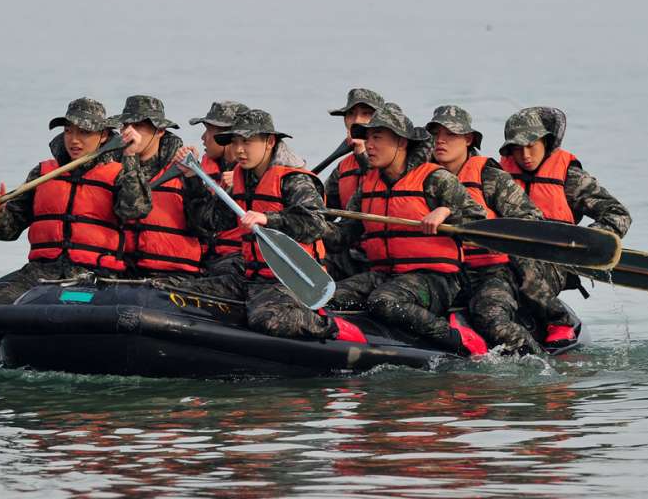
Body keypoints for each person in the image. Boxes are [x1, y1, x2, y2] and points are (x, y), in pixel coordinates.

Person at [323, 103, 489, 352]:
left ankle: (457, 340)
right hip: (384, 274)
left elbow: (479, 221)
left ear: (401, 143)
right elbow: (342, 236)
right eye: (367, 138)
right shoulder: (368, 185)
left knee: (383, 301)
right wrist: (308, 223)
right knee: (326, 298)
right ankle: (351, 337)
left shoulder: (435, 178)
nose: (369, 145)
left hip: (435, 280)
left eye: (377, 138)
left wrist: (446, 212)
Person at [0, 98, 125, 339]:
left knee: (75, 318)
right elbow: (7, 231)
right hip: (41, 275)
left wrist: (129, 158)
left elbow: (135, 213)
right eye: (68, 131)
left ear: (104, 136)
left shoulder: (122, 176)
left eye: (84, 132)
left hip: (95, 277)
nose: (74, 139)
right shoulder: (42, 174)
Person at [187, 108, 337, 340]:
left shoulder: (294, 179)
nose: (239, 150)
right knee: (186, 294)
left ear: (269, 141)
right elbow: (212, 222)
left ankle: (333, 327)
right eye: (235, 142)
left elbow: (316, 224)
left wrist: (268, 219)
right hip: (250, 275)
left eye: (247, 141)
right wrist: (193, 179)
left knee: (267, 320)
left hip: (290, 280)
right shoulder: (240, 176)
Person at [498, 106, 632, 343]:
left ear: (546, 142)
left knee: (518, 271)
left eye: (531, 146)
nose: (525, 155)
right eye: (518, 150)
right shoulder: (497, 175)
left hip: (554, 262)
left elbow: (618, 213)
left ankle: (557, 322)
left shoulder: (571, 178)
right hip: (505, 257)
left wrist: (584, 242)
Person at [425, 104, 546, 354]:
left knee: (493, 321)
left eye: (450, 135)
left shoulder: (490, 177)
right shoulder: (422, 176)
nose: (441, 141)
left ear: (468, 139)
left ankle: (542, 363)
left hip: (489, 271)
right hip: (439, 273)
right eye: (436, 134)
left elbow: (530, 219)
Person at [111, 95, 206, 279]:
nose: (130, 132)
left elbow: (203, 227)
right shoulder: (112, 166)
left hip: (171, 275)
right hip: (123, 272)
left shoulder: (183, 169)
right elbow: (127, 210)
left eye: (138, 126)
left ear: (160, 131)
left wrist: (194, 178)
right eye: (125, 126)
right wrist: (129, 157)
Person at [323, 87, 385, 279]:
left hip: (384, 259)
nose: (357, 120)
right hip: (350, 253)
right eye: (351, 114)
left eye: (366, 114)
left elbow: (383, 185)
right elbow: (324, 210)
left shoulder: (400, 160)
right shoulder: (342, 168)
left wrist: (362, 155)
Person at [186, 100, 249, 277]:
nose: (203, 138)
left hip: (240, 260)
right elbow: (200, 223)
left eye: (209, 131)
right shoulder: (203, 169)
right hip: (208, 256)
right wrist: (193, 177)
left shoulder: (255, 174)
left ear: (228, 136)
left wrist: (243, 186)